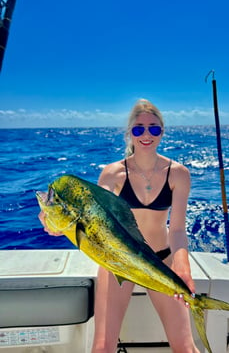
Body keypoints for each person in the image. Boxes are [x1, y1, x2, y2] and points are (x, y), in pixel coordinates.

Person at [39, 99, 200, 353]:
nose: (146, 135)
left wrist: (183, 267)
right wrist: (54, 223)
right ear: (129, 133)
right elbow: (88, 216)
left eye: (154, 129)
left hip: (162, 262)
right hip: (116, 262)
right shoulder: (112, 174)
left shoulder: (179, 173)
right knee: (102, 347)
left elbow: (178, 229)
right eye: (138, 129)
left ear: (162, 132)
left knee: (186, 348)